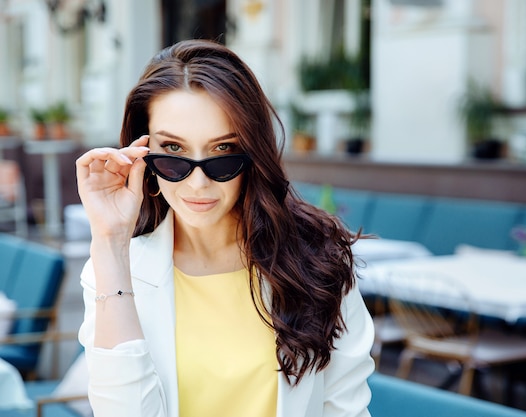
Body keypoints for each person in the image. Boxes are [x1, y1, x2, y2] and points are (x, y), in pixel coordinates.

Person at [75, 39, 375, 417]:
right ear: (142, 155)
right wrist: (109, 240)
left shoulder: (315, 262)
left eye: (222, 152)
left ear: (253, 153)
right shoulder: (115, 270)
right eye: (173, 152)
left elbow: (345, 408)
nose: (198, 184)